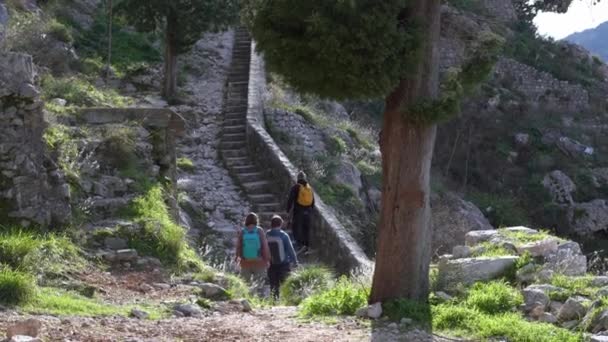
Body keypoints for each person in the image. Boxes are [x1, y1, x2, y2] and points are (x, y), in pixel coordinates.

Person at [266, 215, 298, 299]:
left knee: (273, 285)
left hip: (271, 264)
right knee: (285, 284)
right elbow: (290, 250)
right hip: (283, 264)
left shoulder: (267, 234)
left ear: (271, 224)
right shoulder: (284, 235)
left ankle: (274, 302)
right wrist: (295, 262)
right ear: (280, 224)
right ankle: (286, 301)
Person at [235, 213, 270, 285]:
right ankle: (258, 296)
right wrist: (266, 260)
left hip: (245, 262)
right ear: (256, 221)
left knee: (245, 285)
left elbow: (238, 246)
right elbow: (265, 246)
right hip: (259, 261)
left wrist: (237, 258)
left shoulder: (242, 231)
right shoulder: (259, 231)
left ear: (246, 221)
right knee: (260, 286)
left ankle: (246, 296)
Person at [286, 171, 315, 254]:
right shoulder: (309, 188)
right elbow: (313, 201)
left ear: (297, 178)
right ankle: (306, 246)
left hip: (299, 211)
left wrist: (288, 211)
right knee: (306, 229)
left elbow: (290, 199)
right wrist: (310, 210)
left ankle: (299, 246)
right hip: (308, 211)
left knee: (296, 227)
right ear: (305, 178)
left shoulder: (296, 187)